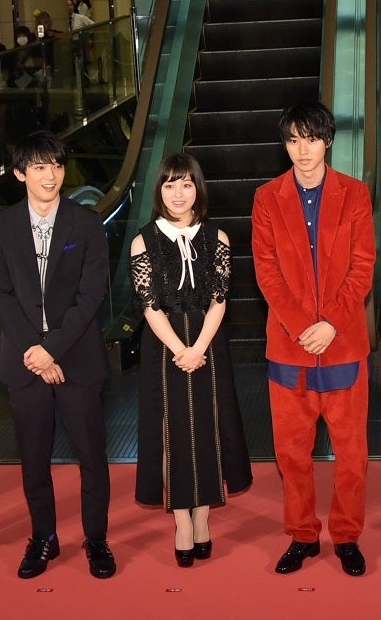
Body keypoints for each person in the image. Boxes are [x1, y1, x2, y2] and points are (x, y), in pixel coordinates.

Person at [0, 130, 116, 580]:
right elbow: (0, 294)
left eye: (56, 166)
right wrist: (35, 351)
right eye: (39, 167)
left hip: (77, 356)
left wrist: (51, 349)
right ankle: (43, 537)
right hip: (24, 360)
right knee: (33, 458)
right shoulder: (0, 227)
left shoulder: (86, 224)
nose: (50, 175)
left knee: (91, 455)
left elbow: (91, 296)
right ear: (20, 173)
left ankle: (96, 539)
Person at [251, 102, 374, 577]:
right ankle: (302, 534)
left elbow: (363, 265)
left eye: (312, 139)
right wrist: (302, 326)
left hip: (343, 344)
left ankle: (346, 535)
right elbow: (266, 270)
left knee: (352, 455)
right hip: (289, 345)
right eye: (293, 140)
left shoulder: (355, 194)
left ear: (328, 141)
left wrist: (332, 324)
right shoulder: (267, 197)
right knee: (291, 454)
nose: (303, 150)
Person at [132, 153, 251, 566]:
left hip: (208, 344)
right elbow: (150, 307)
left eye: (186, 184)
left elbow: (219, 300)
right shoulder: (144, 240)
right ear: (159, 191)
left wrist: (198, 348)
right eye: (170, 185)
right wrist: (179, 349)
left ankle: (203, 517)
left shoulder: (218, 237)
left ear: (197, 188)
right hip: (163, 347)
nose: (178, 193)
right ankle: (182, 521)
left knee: (209, 428)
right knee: (172, 432)